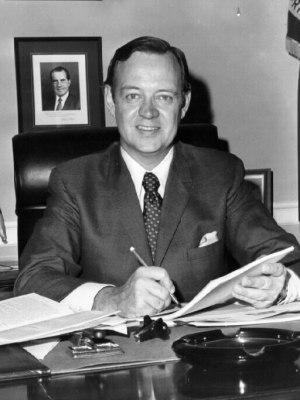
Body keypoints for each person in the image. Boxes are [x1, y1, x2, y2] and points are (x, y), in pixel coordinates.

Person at [15, 36, 300, 318]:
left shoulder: (221, 175)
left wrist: (281, 284)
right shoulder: (75, 182)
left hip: (199, 355)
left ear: (184, 103)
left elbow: (290, 258)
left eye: (163, 96)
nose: (148, 112)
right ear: (110, 101)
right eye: (133, 95)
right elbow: (33, 279)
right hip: (112, 356)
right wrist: (112, 298)